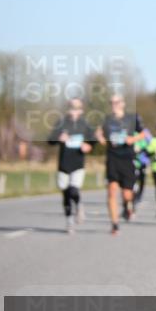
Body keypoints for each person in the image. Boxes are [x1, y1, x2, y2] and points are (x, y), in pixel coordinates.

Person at [96, 94, 146, 236]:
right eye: (111, 102)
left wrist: (133, 138)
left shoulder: (132, 118)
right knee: (111, 191)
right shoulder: (107, 119)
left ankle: (127, 206)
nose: (114, 104)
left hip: (127, 158)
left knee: (127, 194)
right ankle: (115, 224)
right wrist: (100, 137)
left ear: (123, 104)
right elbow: (99, 132)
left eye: (117, 102)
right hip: (112, 158)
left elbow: (144, 134)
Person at [47, 98, 96, 233]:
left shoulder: (84, 124)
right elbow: (50, 140)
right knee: (65, 193)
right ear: (68, 109)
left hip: (78, 163)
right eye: (71, 107)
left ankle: (79, 205)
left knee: (74, 190)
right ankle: (69, 221)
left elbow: (93, 140)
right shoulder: (61, 123)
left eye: (76, 108)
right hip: (63, 164)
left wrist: (89, 146)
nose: (74, 110)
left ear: (81, 110)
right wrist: (58, 138)